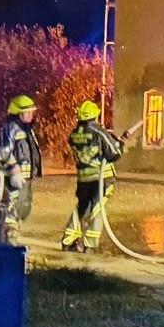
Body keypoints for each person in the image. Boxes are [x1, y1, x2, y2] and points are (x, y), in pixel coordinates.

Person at [59, 101, 122, 252]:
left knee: (82, 208)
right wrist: (119, 145)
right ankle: (90, 245)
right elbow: (113, 154)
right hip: (102, 180)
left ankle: (68, 239)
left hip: (83, 180)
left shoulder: (74, 134)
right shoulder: (99, 131)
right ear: (94, 115)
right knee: (97, 210)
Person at [0, 95, 41, 224]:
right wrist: (13, 169)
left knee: (23, 208)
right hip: (14, 178)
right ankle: (8, 236)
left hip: (25, 177)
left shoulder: (26, 129)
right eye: (27, 112)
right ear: (18, 113)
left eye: (31, 112)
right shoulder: (12, 128)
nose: (30, 115)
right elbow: (2, 153)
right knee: (12, 208)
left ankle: (12, 230)